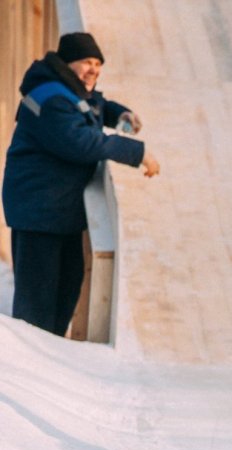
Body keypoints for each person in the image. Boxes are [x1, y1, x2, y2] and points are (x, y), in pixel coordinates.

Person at [2, 32, 159, 336]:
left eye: (98, 64)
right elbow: (80, 143)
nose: (93, 70)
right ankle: (30, 360)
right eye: (87, 62)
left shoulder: (66, 90)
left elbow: (94, 104)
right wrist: (137, 153)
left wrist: (119, 113)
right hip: (39, 213)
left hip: (60, 212)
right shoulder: (49, 99)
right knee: (37, 308)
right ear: (67, 63)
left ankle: (51, 354)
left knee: (66, 291)